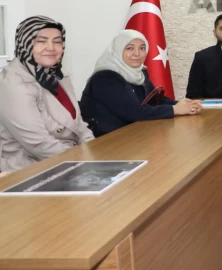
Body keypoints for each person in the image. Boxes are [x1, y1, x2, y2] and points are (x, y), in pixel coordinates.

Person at [0, 16, 94, 172]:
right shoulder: (11, 84)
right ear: (25, 43)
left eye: (57, 41)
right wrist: (83, 159)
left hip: (68, 159)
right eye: (41, 41)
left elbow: (79, 125)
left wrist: (94, 151)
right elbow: (39, 144)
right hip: (30, 169)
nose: (51, 47)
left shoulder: (58, 75)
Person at [81, 30, 202, 136]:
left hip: (133, 134)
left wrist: (186, 105)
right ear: (117, 50)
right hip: (105, 140)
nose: (137, 53)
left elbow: (155, 99)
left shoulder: (139, 73)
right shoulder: (105, 78)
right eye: (130, 48)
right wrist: (174, 109)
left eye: (142, 48)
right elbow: (134, 112)